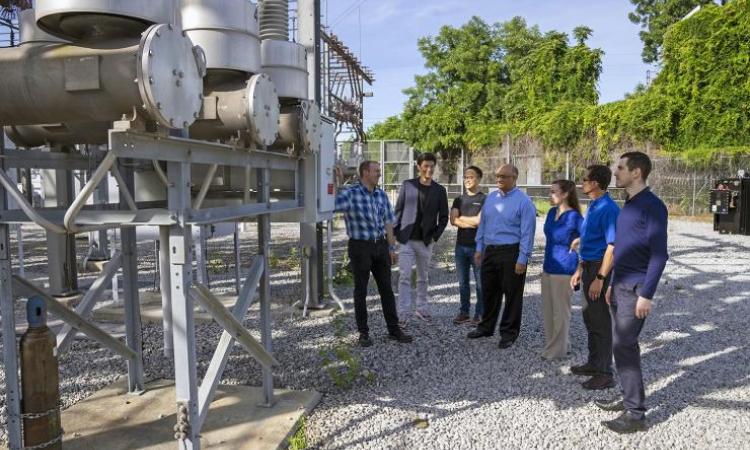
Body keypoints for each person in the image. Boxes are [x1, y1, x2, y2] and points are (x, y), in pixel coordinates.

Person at [596, 151, 668, 433]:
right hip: (620, 286)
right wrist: (611, 281)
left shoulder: (652, 206)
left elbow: (659, 255)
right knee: (621, 345)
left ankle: (636, 415)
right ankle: (629, 399)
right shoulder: (630, 203)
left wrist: (647, 294)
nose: (616, 172)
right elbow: (623, 248)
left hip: (636, 288)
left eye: (621, 168)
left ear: (637, 172)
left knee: (625, 346)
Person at [334, 161, 413, 347]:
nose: (380, 173)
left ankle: (394, 330)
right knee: (360, 291)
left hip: (381, 246)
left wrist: (392, 248)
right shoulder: (350, 194)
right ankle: (363, 333)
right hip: (360, 247)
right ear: (365, 173)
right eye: (376, 170)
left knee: (386, 289)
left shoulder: (381, 195)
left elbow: (389, 223)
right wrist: (336, 185)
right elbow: (330, 206)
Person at [467, 164, 536, 349]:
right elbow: (483, 224)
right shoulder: (491, 198)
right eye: (497, 176)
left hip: (511, 252)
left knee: (512, 295)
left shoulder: (524, 202)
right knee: (489, 292)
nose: (499, 179)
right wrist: (480, 247)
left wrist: (522, 258)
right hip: (490, 250)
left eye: (503, 176)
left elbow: (527, 233)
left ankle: (508, 333)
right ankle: (486, 327)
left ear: (514, 178)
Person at [569, 165, 620, 390]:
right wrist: (580, 270)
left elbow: (613, 246)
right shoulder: (594, 205)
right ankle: (593, 362)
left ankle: (604, 373)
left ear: (596, 183)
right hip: (588, 266)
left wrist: (600, 278)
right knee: (590, 317)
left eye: (585, 179)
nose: (582, 183)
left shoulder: (608, 208)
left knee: (600, 321)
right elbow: (590, 240)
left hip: (600, 268)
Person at [394, 152, 449, 324]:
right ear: (418, 167)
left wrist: (435, 237)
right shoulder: (407, 185)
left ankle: (422, 308)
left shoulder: (440, 190)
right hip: (407, 240)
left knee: (423, 276)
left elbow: (444, 217)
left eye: (432, 166)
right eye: (425, 166)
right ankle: (402, 312)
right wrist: (396, 233)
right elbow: (398, 211)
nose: (429, 169)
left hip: (426, 241)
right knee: (404, 276)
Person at [540, 180, 583, 360]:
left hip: (565, 268)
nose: (549, 194)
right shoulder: (551, 213)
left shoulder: (574, 217)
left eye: (553, 192)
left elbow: (593, 234)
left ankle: (557, 352)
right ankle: (557, 344)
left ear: (565, 194)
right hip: (548, 265)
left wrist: (579, 240)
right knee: (549, 311)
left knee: (561, 311)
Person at [451, 166, 486, 325]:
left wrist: (462, 220)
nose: (467, 179)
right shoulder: (459, 199)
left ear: (479, 179)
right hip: (460, 247)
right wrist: (470, 222)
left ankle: (480, 314)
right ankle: (464, 312)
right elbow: (453, 220)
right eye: (465, 177)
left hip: (478, 247)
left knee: (480, 283)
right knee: (463, 283)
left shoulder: (485, 199)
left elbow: (480, 222)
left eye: (471, 177)